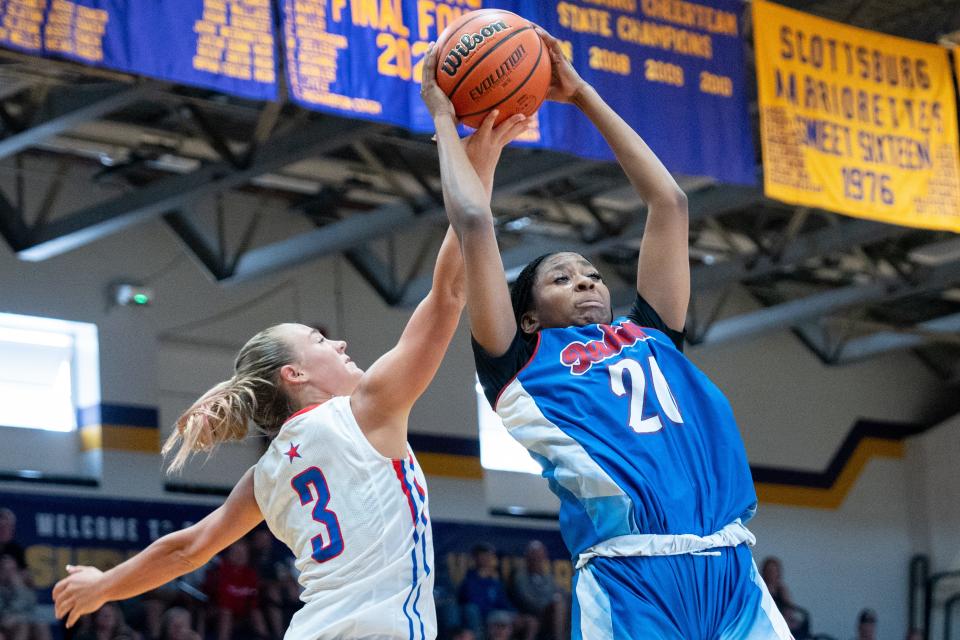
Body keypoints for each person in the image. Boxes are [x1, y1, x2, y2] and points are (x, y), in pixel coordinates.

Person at [51, 116, 529, 640]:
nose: (341, 344)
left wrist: (103, 585)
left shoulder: (268, 473)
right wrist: (480, 158)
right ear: (295, 373)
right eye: (321, 341)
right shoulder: (366, 410)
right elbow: (450, 292)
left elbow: (186, 549)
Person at [420, 27, 794, 640]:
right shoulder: (520, 360)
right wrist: (443, 118)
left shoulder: (652, 333)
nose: (587, 282)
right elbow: (472, 222)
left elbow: (669, 203)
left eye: (592, 275)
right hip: (630, 579)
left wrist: (583, 94)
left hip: (729, 568)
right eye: (562, 278)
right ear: (530, 313)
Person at [511, 540, 567, 640]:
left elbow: (560, 592)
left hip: (549, 615)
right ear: (528, 558)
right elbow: (526, 600)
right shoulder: (520, 576)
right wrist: (547, 603)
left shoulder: (547, 577)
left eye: (540, 556)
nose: (537, 559)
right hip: (530, 613)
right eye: (534, 556)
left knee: (561, 603)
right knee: (557, 604)